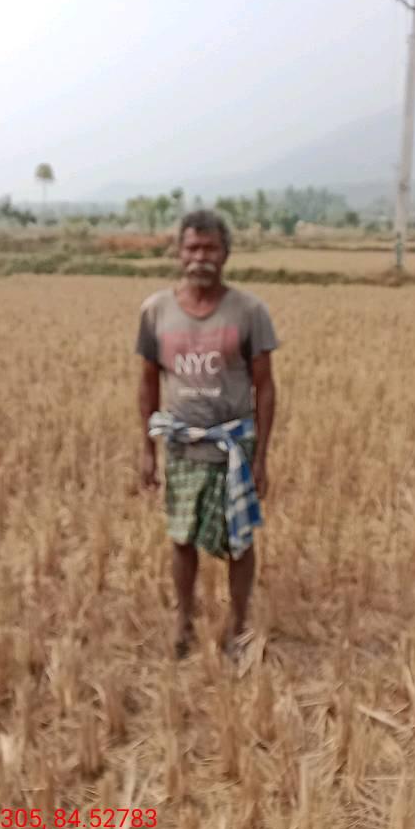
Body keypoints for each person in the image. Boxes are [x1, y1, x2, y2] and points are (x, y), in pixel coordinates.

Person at [135, 210, 279, 660]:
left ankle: (238, 623)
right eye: (192, 247)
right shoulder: (155, 311)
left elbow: (265, 387)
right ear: (179, 253)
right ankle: (184, 618)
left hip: (234, 447)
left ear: (225, 254)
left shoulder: (249, 312)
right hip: (182, 446)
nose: (201, 257)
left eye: (210, 248)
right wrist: (147, 450)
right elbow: (147, 383)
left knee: (240, 540)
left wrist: (261, 457)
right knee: (181, 537)